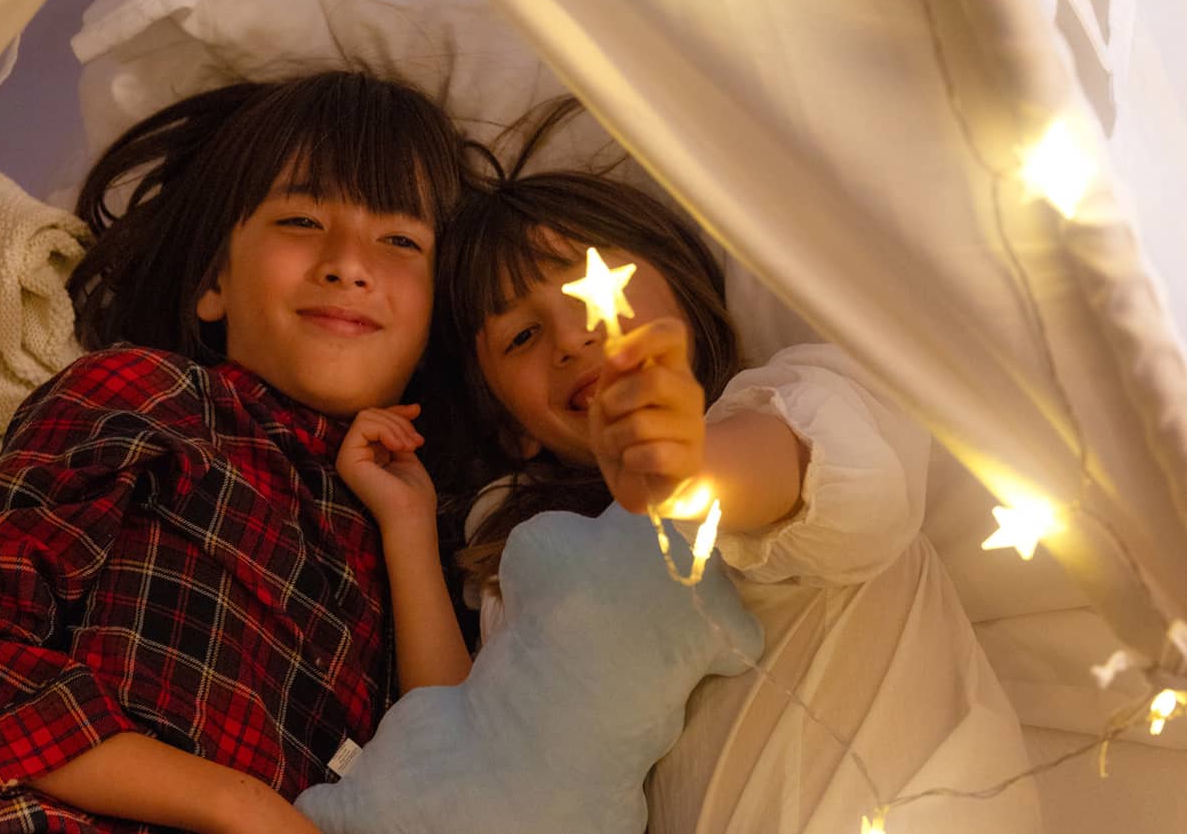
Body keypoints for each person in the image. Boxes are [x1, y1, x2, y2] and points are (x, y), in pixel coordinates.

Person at [0, 71, 472, 834]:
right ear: (214, 281)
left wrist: (407, 524)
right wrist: (238, 803)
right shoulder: (152, 395)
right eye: (303, 220)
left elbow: (467, 779)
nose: (348, 262)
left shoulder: (426, 537)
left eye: (400, 239)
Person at [429, 109, 1040, 831]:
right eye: (523, 335)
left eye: (593, 287)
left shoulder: (806, 396)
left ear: (684, 289)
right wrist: (408, 524)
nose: (573, 335)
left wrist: (691, 467)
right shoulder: (528, 566)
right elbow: (465, 760)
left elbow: (849, 491)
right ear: (509, 425)